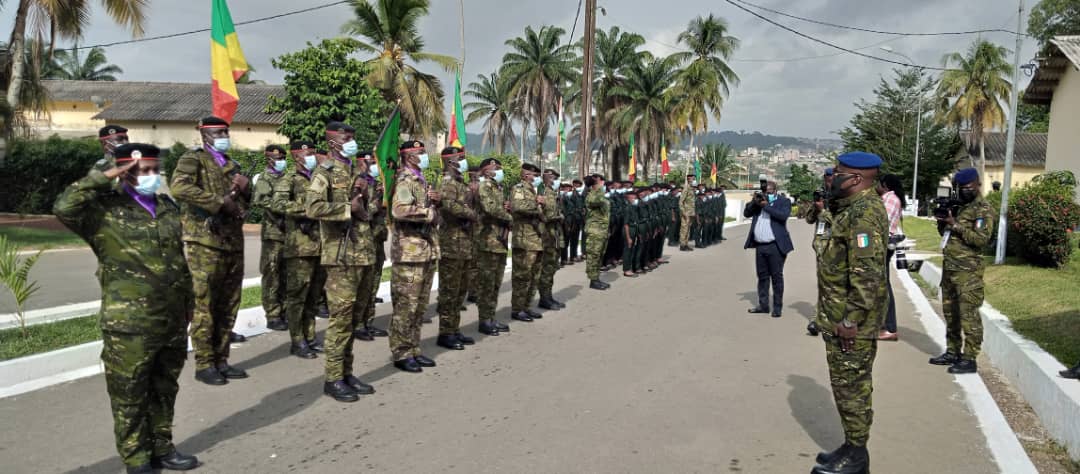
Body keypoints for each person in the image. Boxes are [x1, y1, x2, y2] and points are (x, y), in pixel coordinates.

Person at [55, 143, 200, 474]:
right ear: (124, 172)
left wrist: (189, 302)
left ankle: (162, 447)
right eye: (141, 171)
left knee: (165, 388)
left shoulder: (166, 207)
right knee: (130, 395)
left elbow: (178, 260)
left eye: (154, 169)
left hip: (171, 317)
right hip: (129, 323)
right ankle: (136, 457)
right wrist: (102, 177)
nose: (150, 176)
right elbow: (64, 207)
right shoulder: (103, 211)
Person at [810, 151, 889, 474]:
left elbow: (867, 274)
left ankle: (856, 458)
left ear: (856, 179)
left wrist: (850, 319)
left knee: (853, 388)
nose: (834, 177)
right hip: (840, 316)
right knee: (845, 387)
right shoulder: (850, 209)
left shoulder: (864, 214)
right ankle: (851, 444)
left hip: (853, 323)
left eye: (839, 173)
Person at [170, 116, 250, 386]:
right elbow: (179, 187)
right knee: (205, 305)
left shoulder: (233, 164)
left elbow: (242, 206)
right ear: (205, 135)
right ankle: (204, 364)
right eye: (218, 132)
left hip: (231, 243)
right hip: (203, 243)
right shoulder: (194, 159)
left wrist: (245, 190)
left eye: (226, 131)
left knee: (229, 304)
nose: (224, 135)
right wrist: (218, 202)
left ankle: (221, 359)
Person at [306, 121, 378, 401]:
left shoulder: (358, 171)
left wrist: (365, 197)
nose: (351, 141)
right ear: (333, 141)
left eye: (353, 137)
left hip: (362, 254)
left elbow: (369, 211)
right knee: (340, 320)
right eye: (346, 137)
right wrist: (348, 207)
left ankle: (347, 372)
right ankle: (333, 378)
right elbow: (311, 207)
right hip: (340, 257)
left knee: (354, 319)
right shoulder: (323, 172)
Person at [929, 168, 994, 374]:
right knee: (951, 314)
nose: (964, 191)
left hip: (968, 273)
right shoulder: (959, 207)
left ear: (977, 185)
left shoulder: (982, 209)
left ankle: (970, 358)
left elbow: (981, 240)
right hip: (950, 270)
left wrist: (955, 225)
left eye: (967, 187)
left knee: (969, 316)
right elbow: (946, 233)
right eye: (960, 188)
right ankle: (953, 351)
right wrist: (943, 222)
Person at [389, 140, 441, 372]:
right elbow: (399, 210)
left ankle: (414, 348)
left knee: (419, 306)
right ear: (409, 156)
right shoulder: (405, 180)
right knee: (406, 307)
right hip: (409, 254)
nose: (424, 155)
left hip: (425, 251)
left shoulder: (420, 179)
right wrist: (428, 213)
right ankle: (401, 353)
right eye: (420, 153)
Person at [276, 141, 325, 359]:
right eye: (308, 153)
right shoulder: (289, 179)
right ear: (297, 156)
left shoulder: (319, 179)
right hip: (299, 247)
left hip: (320, 245)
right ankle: (297, 340)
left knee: (314, 295)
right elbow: (277, 204)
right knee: (297, 296)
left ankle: (310, 336)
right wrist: (305, 210)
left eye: (314, 153)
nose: (313, 157)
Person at [435, 146, 478, 351]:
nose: (464, 161)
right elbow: (450, 206)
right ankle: (445, 332)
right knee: (449, 291)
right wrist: (471, 214)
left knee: (460, 290)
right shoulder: (447, 183)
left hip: (464, 242)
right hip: (451, 242)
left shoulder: (461, 183)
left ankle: (454, 328)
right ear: (451, 161)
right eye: (461, 158)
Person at [353, 150, 390, 341]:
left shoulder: (376, 183)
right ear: (360, 163)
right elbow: (362, 211)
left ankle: (368, 321)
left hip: (377, 239)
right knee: (362, 286)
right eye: (369, 162)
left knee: (373, 284)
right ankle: (358, 324)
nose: (373, 166)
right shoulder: (357, 184)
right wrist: (378, 202)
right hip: (362, 241)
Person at [474, 157, 513, 335]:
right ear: (485, 171)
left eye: (499, 167)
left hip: (499, 241)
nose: (498, 171)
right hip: (488, 240)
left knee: (496, 283)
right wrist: (509, 217)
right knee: (487, 284)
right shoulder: (484, 187)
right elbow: (490, 209)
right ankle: (484, 321)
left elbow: (499, 208)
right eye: (494, 168)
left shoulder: (497, 188)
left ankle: (491, 318)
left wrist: (507, 209)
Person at [253, 144, 290, 332]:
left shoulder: (288, 177)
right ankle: (273, 314)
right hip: (273, 233)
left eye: (283, 158)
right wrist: (283, 210)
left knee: (286, 274)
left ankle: (284, 310)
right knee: (272, 274)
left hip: (290, 233)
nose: (281, 161)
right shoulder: (263, 178)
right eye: (278, 158)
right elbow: (261, 201)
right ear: (268, 158)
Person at [743, 180, 794, 318]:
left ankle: (777, 308)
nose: (766, 194)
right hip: (760, 246)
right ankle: (763, 306)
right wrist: (755, 202)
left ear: (775, 191)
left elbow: (782, 216)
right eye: (765, 191)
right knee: (762, 277)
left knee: (777, 277)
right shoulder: (758, 203)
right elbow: (746, 213)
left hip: (776, 246)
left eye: (769, 191)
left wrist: (766, 206)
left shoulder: (784, 201)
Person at [510, 163, 546, 322]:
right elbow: (518, 207)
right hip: (524, 239)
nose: (536, 178)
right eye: (534, 175)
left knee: (534, 276)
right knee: (522, 276)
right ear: (526, 175)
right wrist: (537, 204)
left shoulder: (532, 190)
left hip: (536, 239)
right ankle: (517, 309)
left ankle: (527, 306)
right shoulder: (518, 189)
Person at [805, 168, 835, 337]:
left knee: (834, 286)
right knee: (823, 284)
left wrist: (824, 211)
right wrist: (817, 208)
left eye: (831, 178)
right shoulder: (821, 194)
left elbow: (840, 223)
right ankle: (819, 320)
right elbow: (809, 219)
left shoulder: (841, 197)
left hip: (836, 247)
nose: (828, 180)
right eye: (826, 177)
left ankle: (827, 319)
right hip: (821, 247)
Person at [876, 174, 906, 341]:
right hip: (882, 245)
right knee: (880, 285)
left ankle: (890, 327)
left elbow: (880, 222)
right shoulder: (889, 198)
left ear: (885, 185)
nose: (875, 186)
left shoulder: (891, 199)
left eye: (878, 183)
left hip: (883, 245)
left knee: (884, 286)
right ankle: (884, 323)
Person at [537, 169, 566, 310]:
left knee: (552, 267)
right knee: (547, 268)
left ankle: (548, 296)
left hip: (555, 235)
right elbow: (542, 216)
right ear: (547, 179)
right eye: (554, 178)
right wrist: (558, 217)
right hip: (547, 235)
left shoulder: (554, 194)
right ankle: (544, 298)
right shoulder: (542, 194)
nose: (556, 181)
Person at [584, 174, 611, 290]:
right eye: (600, 182)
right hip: (595, 231)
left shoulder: (600, 195)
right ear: (594, 184)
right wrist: (598, 189)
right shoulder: (592, 196)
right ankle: (593, 280)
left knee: (600, 255)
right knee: (593, 255)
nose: (603, 183)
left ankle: (596, 278)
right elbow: (597, 201)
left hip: (602, 230)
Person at [622, 189, 641, 277]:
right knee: (627, 251)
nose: (635, 198)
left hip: (633, 230)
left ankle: (629, 268)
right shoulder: (627, 208)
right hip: (629, 231)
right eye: (633, 196)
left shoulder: (632, 207)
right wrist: (628, 237)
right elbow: (626, 224)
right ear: (629, 197)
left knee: (631, 250)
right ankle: (626, 270)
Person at [679, 176, 697, 251]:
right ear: (689, 180)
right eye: (693, 179)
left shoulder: (693, 189)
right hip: (686, 213)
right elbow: (680, 202)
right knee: (684, 229)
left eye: (694, 179)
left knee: (688, 229)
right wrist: (684, 212)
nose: (694, 180)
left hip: (691, 213)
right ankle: (682, 245)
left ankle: (686, 244)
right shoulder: (686, 189)